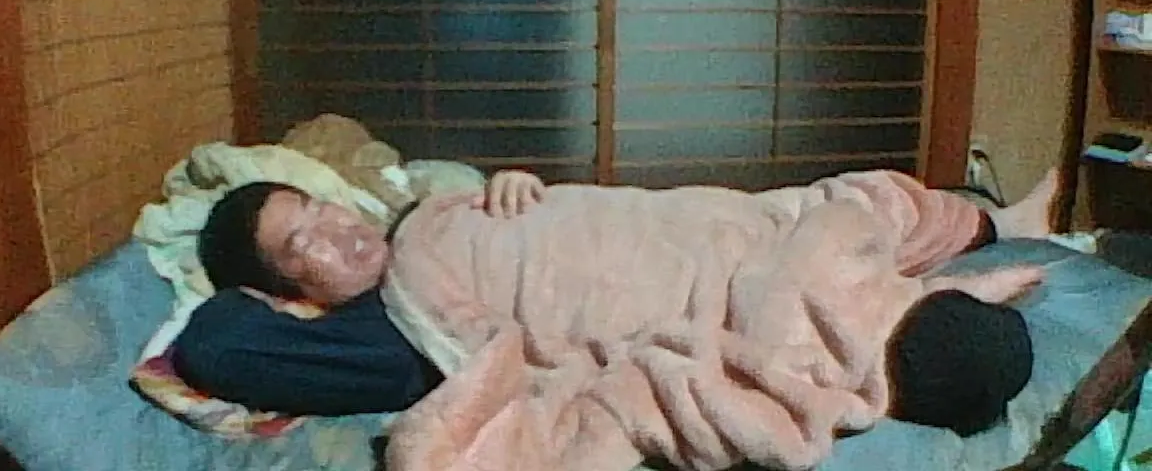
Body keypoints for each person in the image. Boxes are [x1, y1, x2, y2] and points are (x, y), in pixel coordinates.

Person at [173, 168, 1057, 436]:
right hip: (686, 292)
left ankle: (995, 224)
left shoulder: (424, 219)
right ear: (284, 294)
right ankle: (919, 303)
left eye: (320, 207)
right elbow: (214, 347)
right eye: (301, 246)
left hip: (682, 225)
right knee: (817, 269)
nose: (336, 230)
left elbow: (570, 218)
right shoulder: (390, 330)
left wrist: (506, 185)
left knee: (847, 201)